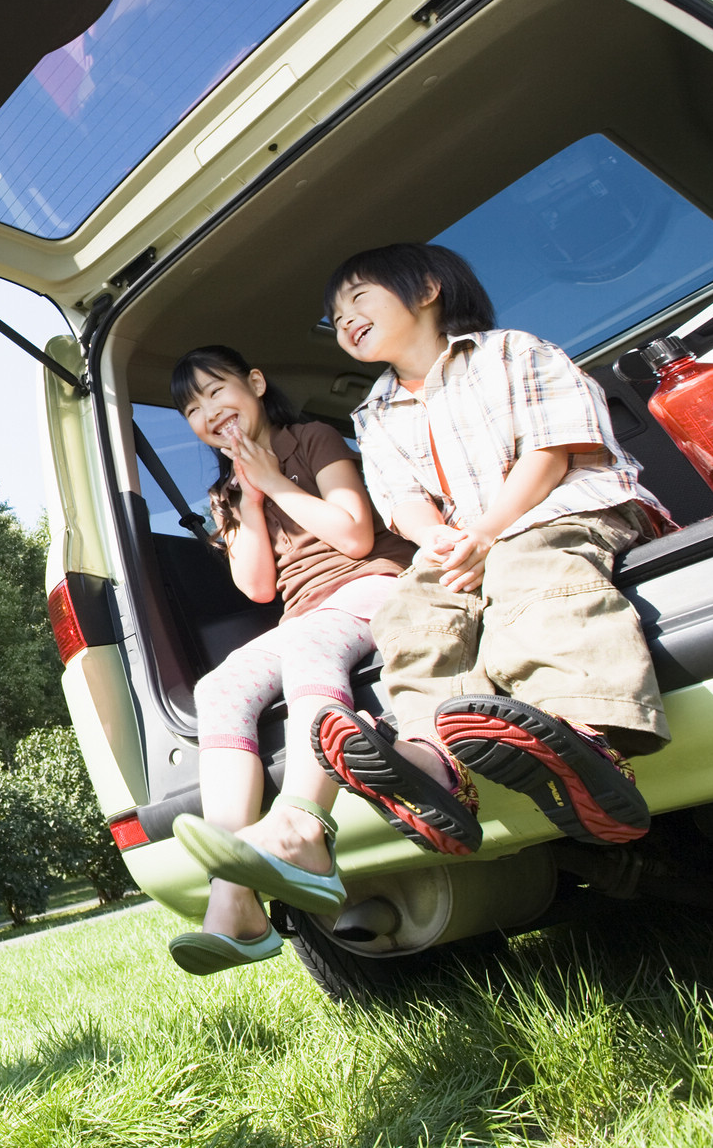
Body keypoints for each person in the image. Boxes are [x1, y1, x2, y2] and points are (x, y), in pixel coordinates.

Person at [318, 242, 668, 851]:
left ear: (426, 290)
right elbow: (400, 500)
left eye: (358, 299)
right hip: (470, 542)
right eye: (336, 317)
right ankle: (431, 763)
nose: (345, 320)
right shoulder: (372, 412)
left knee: (529, 563)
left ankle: (584, 733)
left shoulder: (510, 351)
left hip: (565, 508)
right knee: (412, 607)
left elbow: (552, 451)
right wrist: (437, 539)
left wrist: (489, 529)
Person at [164, 347, 436, 975]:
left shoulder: (310, 437)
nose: (208, 411)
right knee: (219, 690)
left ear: (256, 383)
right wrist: (250, 501)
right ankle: (235, 902)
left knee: (312, 646)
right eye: (192, 407)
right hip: (304, 612)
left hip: (373, 582)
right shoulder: (224, 495)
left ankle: (307, 831)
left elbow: (354, 535)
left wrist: (278, 481)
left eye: (216, 391)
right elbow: (259, 588)